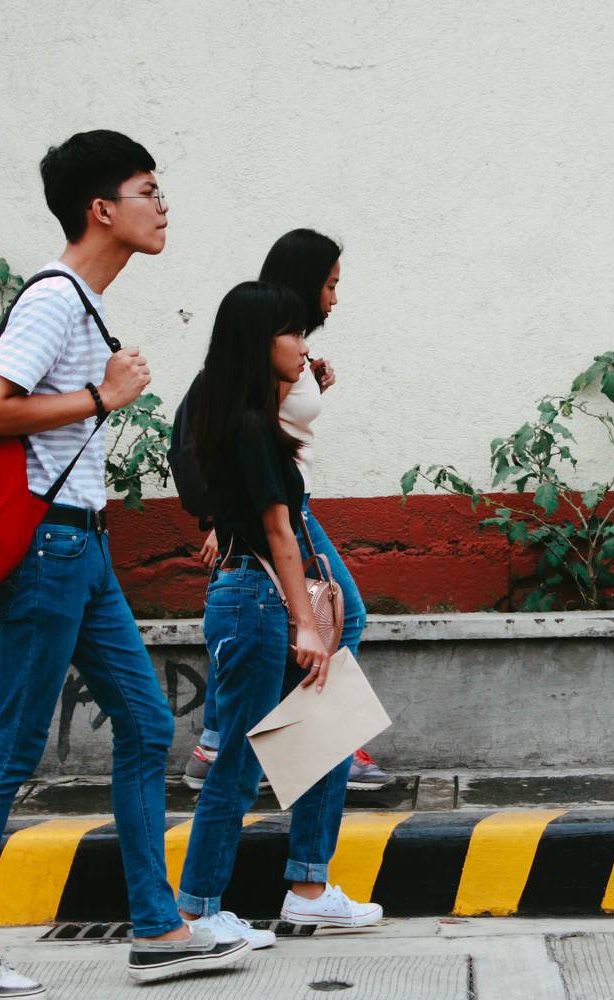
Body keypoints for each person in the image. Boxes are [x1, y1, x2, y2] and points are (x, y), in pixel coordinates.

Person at [0, 130, 249, 999]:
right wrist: (103, 395)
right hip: (47, 547)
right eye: (148, 190)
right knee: (11, 745)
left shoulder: (81, 302)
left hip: (82, 544)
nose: (162, 205)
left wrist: (96, 397)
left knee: (144, 724)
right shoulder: (54, 300)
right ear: (102, 209)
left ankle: (158, 930)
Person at [177, 281, 383, 942]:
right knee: (237, 767)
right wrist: (305, 622)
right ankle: (197, 911)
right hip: (257, 602)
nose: (303, 344)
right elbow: (280, 533)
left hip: (257, 600)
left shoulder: (242, 416)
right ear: (256, 343)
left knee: (326, 728)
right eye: (290, 333)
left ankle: (308, 887)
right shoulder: (248, 427)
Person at [183, 228, 391, 794]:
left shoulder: (289, 352)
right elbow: (229, 429)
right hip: (280, 512)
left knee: (314, 620)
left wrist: (314, 383)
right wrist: (221, 521)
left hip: (291, 504)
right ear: (305, 281)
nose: (335, 298)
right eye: (330, 284)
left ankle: (227, 741)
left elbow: (275, 427)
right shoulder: (260, 347)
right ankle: (311, 747)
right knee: (343, 616)